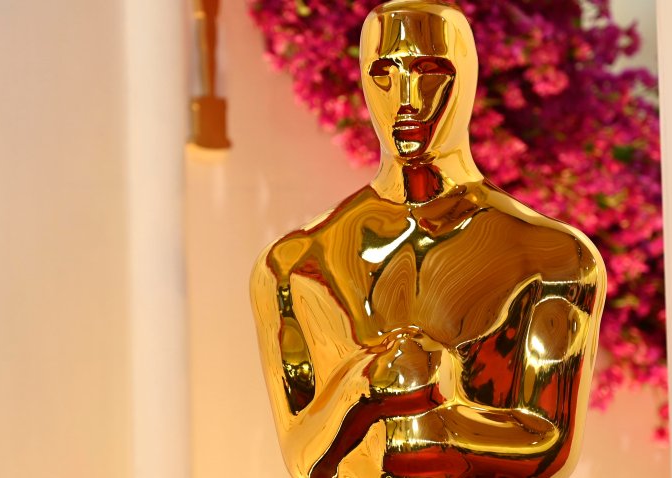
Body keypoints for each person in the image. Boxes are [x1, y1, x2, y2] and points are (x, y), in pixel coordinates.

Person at [250, 2, 606, 476]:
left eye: (431, 72)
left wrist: (426, 426)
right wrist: (364, 387)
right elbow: (304, 460)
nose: (406, 98)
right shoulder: (295, 266)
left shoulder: (553, 258)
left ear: (468, 78)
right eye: (384, 74)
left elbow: (549, 448)